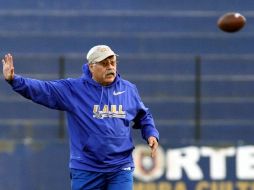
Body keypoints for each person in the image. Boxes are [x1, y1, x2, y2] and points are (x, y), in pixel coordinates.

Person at [2, 45, 159, 190]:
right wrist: (14, 80)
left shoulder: (128, 89)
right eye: (104, 63)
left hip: (120, 167)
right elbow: (44, 90)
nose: (110, 67)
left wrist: (151, 133)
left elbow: (143, 115)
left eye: (113, 62)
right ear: (91, 67)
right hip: (87, 168)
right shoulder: (74, 89)